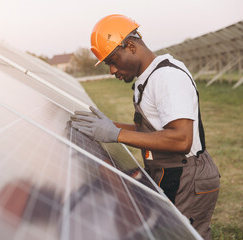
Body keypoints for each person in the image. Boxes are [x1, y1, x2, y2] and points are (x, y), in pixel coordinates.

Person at [70, 14, 220, 240]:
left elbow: (181, 139)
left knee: (183, 236)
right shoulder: (148, 78)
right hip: (170, 173)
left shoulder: (167, 77)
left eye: (112, 60)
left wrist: (116, 134)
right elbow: (152, 131)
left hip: (187, 178)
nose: (112, 71)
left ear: (130, 46)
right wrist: (109, 125)